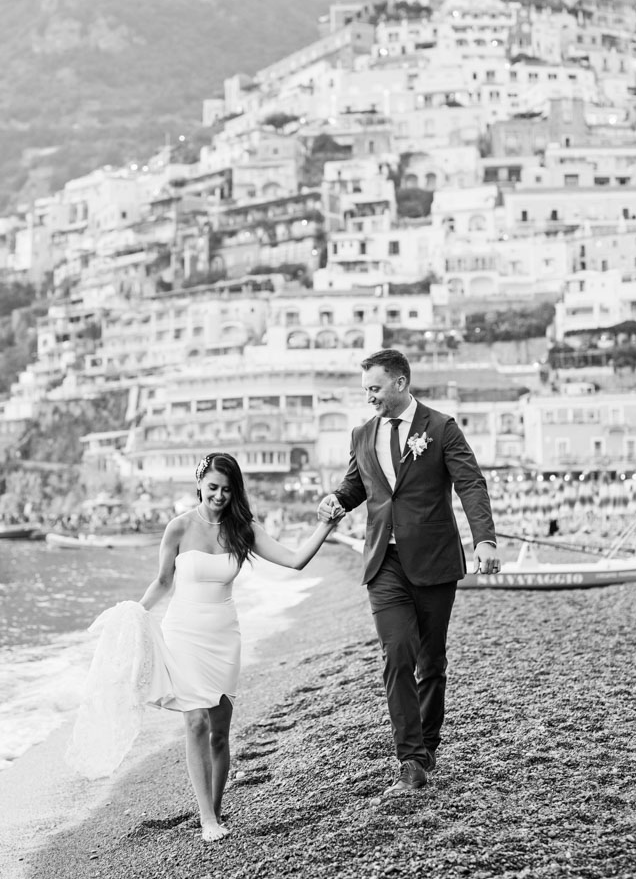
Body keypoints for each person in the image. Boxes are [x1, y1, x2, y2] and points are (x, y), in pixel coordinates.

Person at [318, 349, 499, 796]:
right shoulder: (362, 433)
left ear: (400, 383)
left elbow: (470, 483)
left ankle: (428, 743)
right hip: (384, 562)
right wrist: (337, 501)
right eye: (365, 390)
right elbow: (357, 484)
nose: (369, 398)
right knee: (396, 653)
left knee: (431, 660)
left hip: (434, 560)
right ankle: (411, 760)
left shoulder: (440, 428)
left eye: (374, 389)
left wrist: (485, 539)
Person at [140, 451, 339, 842]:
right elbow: (163, 582)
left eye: (227, 490)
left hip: (223, 636)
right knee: (194, 721)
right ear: (199, 483)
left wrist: (325, 526)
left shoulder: (242, 528)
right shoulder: (177, 528)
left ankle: (215, 809)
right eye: (212, 487)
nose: (219, 496)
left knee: (219, 732)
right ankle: (206, 820)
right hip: (183, 632)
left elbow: (295, 560)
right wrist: (136, 611)